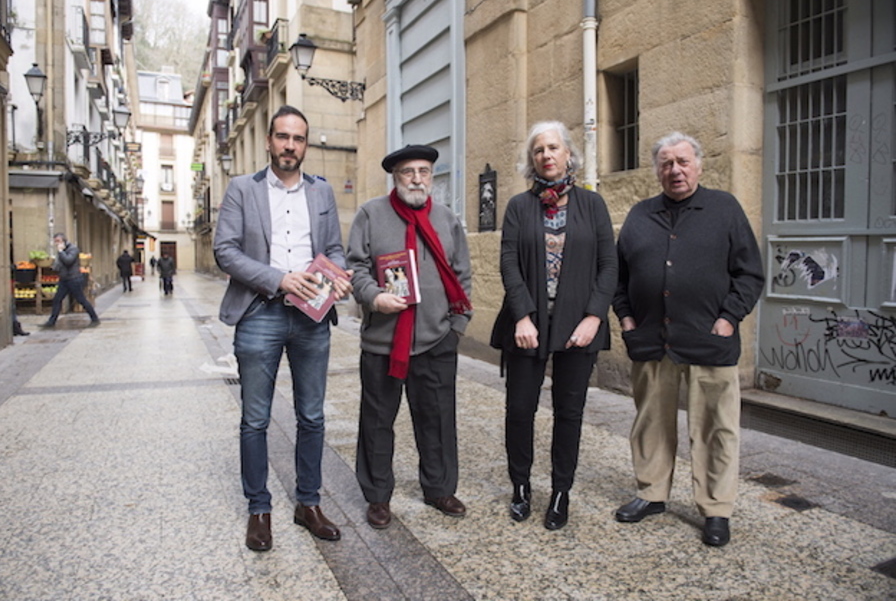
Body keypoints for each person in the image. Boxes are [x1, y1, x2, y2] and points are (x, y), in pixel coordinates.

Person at [612, 132, 764, 547]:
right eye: (665, 163)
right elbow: (618, 276)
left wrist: (729, 319)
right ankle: (651, 493)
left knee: (717, 428)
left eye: (682, 161)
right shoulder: (641, 214)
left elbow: (749, 273)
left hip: (709, 340)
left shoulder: (724, 209)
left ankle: (716, 507)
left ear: (698, 165)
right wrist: (626, 318)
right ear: (657, 169)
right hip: (651, 340)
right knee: (650, 423)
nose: (674, 170)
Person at [214, 105, 352, 552]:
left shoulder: (322, 192)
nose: (290, 145)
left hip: (312, 317)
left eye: (298, 138)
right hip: (259, 314)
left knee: (312, 415)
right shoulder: (242, 189)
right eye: (282, 137)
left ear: (305, 145)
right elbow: (226, 251)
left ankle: (307, 503)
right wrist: (278, 278)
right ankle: (259, 509)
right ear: (269, 141)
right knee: (255, 418)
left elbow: (334, 248)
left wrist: (339, 277)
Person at [489, 121, 617, 530]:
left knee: (569, 412)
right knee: (520, 410)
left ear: (568, 155)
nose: (546, 155)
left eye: (553, 147)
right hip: (527, 323)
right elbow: (508, 262)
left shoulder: (592, 205)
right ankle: (521, 487)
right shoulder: (518, 207)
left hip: (578, 325)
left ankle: (561, 492)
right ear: (532, 159)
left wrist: (594, 317)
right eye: (538, 149)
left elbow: (608, 265)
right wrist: (522, 315)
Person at [347, 144, 473, 530]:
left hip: (437, 340)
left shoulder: (447, 219)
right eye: (408, 172)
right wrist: (374, 297)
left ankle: (438, 488)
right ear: (395, 177)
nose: (417, 179)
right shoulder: (371, 214)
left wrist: (457, 328)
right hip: (383, 343)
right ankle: (378, 496)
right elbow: (355, 268)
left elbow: (463, 275)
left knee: (437, 419)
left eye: (424, 171)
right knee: (377, 421)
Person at [39, 233, 100, 328]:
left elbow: (68, 261)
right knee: (57, 300)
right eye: (55, 241)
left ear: (64, 241)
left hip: (74, 279)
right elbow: (60, 263)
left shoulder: (73, 249)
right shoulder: (62, 251)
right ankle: (51, 321)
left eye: (58, 241)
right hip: (64, 279)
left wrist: (61, 251)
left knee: (81, 300)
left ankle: (95, 318)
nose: (56, 244)